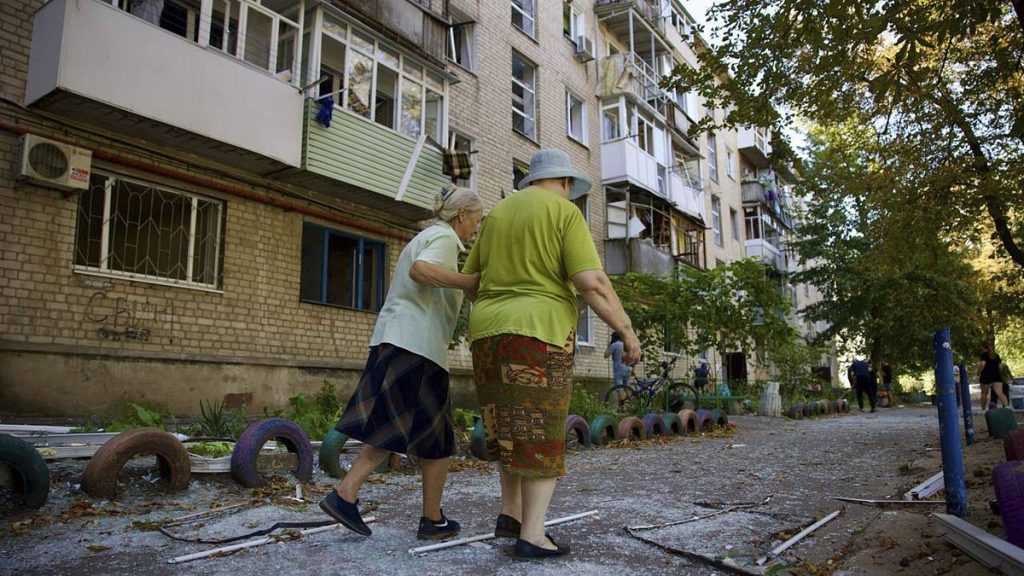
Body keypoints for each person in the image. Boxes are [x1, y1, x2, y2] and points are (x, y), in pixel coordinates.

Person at [464, 149, 640, 559]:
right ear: (564, 183)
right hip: (538, 335)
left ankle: (510, 516)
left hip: (487, 333)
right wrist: (626, 329)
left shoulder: (497, 214)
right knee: (540, 434)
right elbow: (591, 281)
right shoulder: (564, 213)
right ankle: (533, 535)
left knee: (507, 427)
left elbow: (472, 279)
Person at [319, 187, 483, 541]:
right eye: (476, 220)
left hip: (413, 345)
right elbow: (422, 272)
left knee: (436, 439)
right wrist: (469, 282)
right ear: (461, 216)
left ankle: (432, 518)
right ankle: (344, 495)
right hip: (414, 346)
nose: (476, 229)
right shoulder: (443, 238)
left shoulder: (429, 236)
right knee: (389, 425)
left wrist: (464, 290)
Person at [978, 341, 1009, 410]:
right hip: (996, 375)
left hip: (986, 375)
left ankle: (983, 409)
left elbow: (983, 364)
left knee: (984, 393)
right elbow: (1000, 367)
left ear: (983, 347)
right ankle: (1007, 407)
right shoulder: (996, 355)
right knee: (1000, 392)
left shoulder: (983, 355)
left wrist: (978, 372)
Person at [604, 332, 632, 408]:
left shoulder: (615, 345)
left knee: (620, 388)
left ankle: (621, 407)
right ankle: (632, 405)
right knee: (627, 387)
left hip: (618, 369)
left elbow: (606, 355)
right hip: (628, 368)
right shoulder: (626, 345)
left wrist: (608, 347)